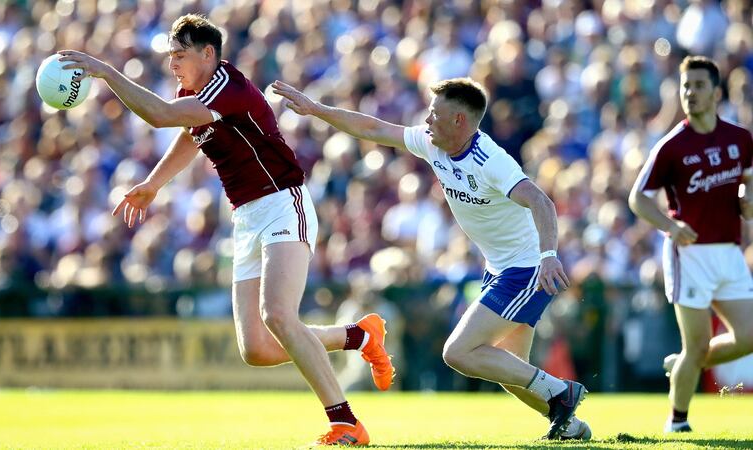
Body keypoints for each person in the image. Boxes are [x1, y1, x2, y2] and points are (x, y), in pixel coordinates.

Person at [58, 14, 394, 446]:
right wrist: (153, 184)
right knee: (256, 349)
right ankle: (360, 335)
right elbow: (188, 132)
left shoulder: (225, 87)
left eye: (179, 56)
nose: (172, 64)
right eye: (170, 57)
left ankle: (346, 423)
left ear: (208, 54)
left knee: (277, 316)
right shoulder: (195, 92)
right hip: (247, 217)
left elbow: (161, 116)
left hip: (282, 202)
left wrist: (106, 71)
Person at [274, 77, 590, 440]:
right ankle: (570, 425)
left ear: (459, 121)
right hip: (500, 266)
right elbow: (373, 127)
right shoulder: (433, 143)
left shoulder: (491, 161)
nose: (426, 119)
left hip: (526, 268)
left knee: (458, 353)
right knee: (512, 373)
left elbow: (541, 202)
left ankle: (563, 393)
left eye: (435, 113)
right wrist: (316, 109)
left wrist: (549, 255)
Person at [629, 55, 753, 433]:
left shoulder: (740, 139)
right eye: (685, 86)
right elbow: (638, 198)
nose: (691, 93)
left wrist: (747, 202)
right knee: (697, 345)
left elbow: (747, 186)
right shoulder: (671, 146)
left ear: (717, 93)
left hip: (728, 252)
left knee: (748, 338)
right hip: (689, 254)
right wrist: (670, 225)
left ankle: (684, 362)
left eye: (699, 86)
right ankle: (677, 422)